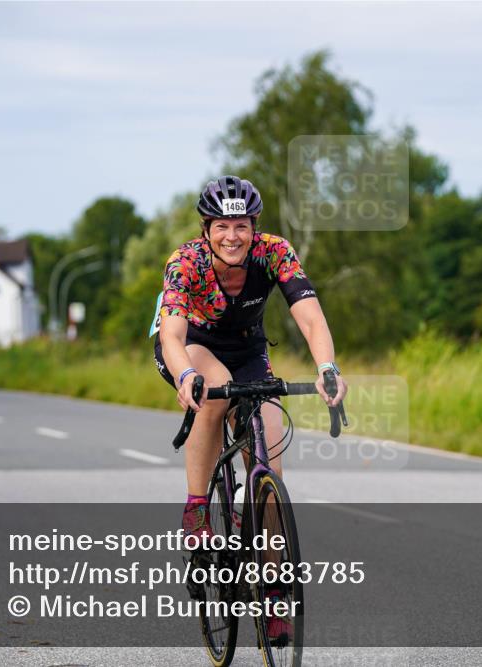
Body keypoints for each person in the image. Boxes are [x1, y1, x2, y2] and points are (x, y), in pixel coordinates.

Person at [154, 175, 348, 638]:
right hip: (192, 348)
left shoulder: (274, 252)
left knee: (270, 463)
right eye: (222, 225)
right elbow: (172, 334)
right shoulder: (186, 262)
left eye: (241, 225)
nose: (232, 236)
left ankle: (274, 593)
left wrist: (327, 367)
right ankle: (197, 508)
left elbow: (310, 315)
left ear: (253, 226)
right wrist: (185, 375)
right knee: (214, 393)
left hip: (246, 348)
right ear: (206, 229)